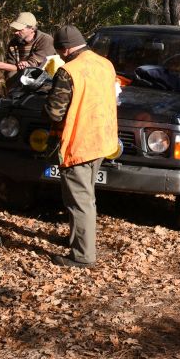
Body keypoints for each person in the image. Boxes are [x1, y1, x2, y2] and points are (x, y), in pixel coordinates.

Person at [44, 25, 118, 268]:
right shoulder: (104, 64)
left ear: (65, 49)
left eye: (59, 50)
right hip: (102, 139)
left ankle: (83, 256)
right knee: (87, 197)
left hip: (80, 143)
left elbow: (55, 113)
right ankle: (80, 240)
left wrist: (47, 96)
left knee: (79, 200)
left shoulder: (68, 71)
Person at [0, 12, 56, 81]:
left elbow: (32, 68)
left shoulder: (46, 40)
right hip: (17, 89)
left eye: (20, 30)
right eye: (15, 29)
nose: (16, 32)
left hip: (41, 87)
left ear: (32, 29)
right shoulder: (14, 43)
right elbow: (11, 68)